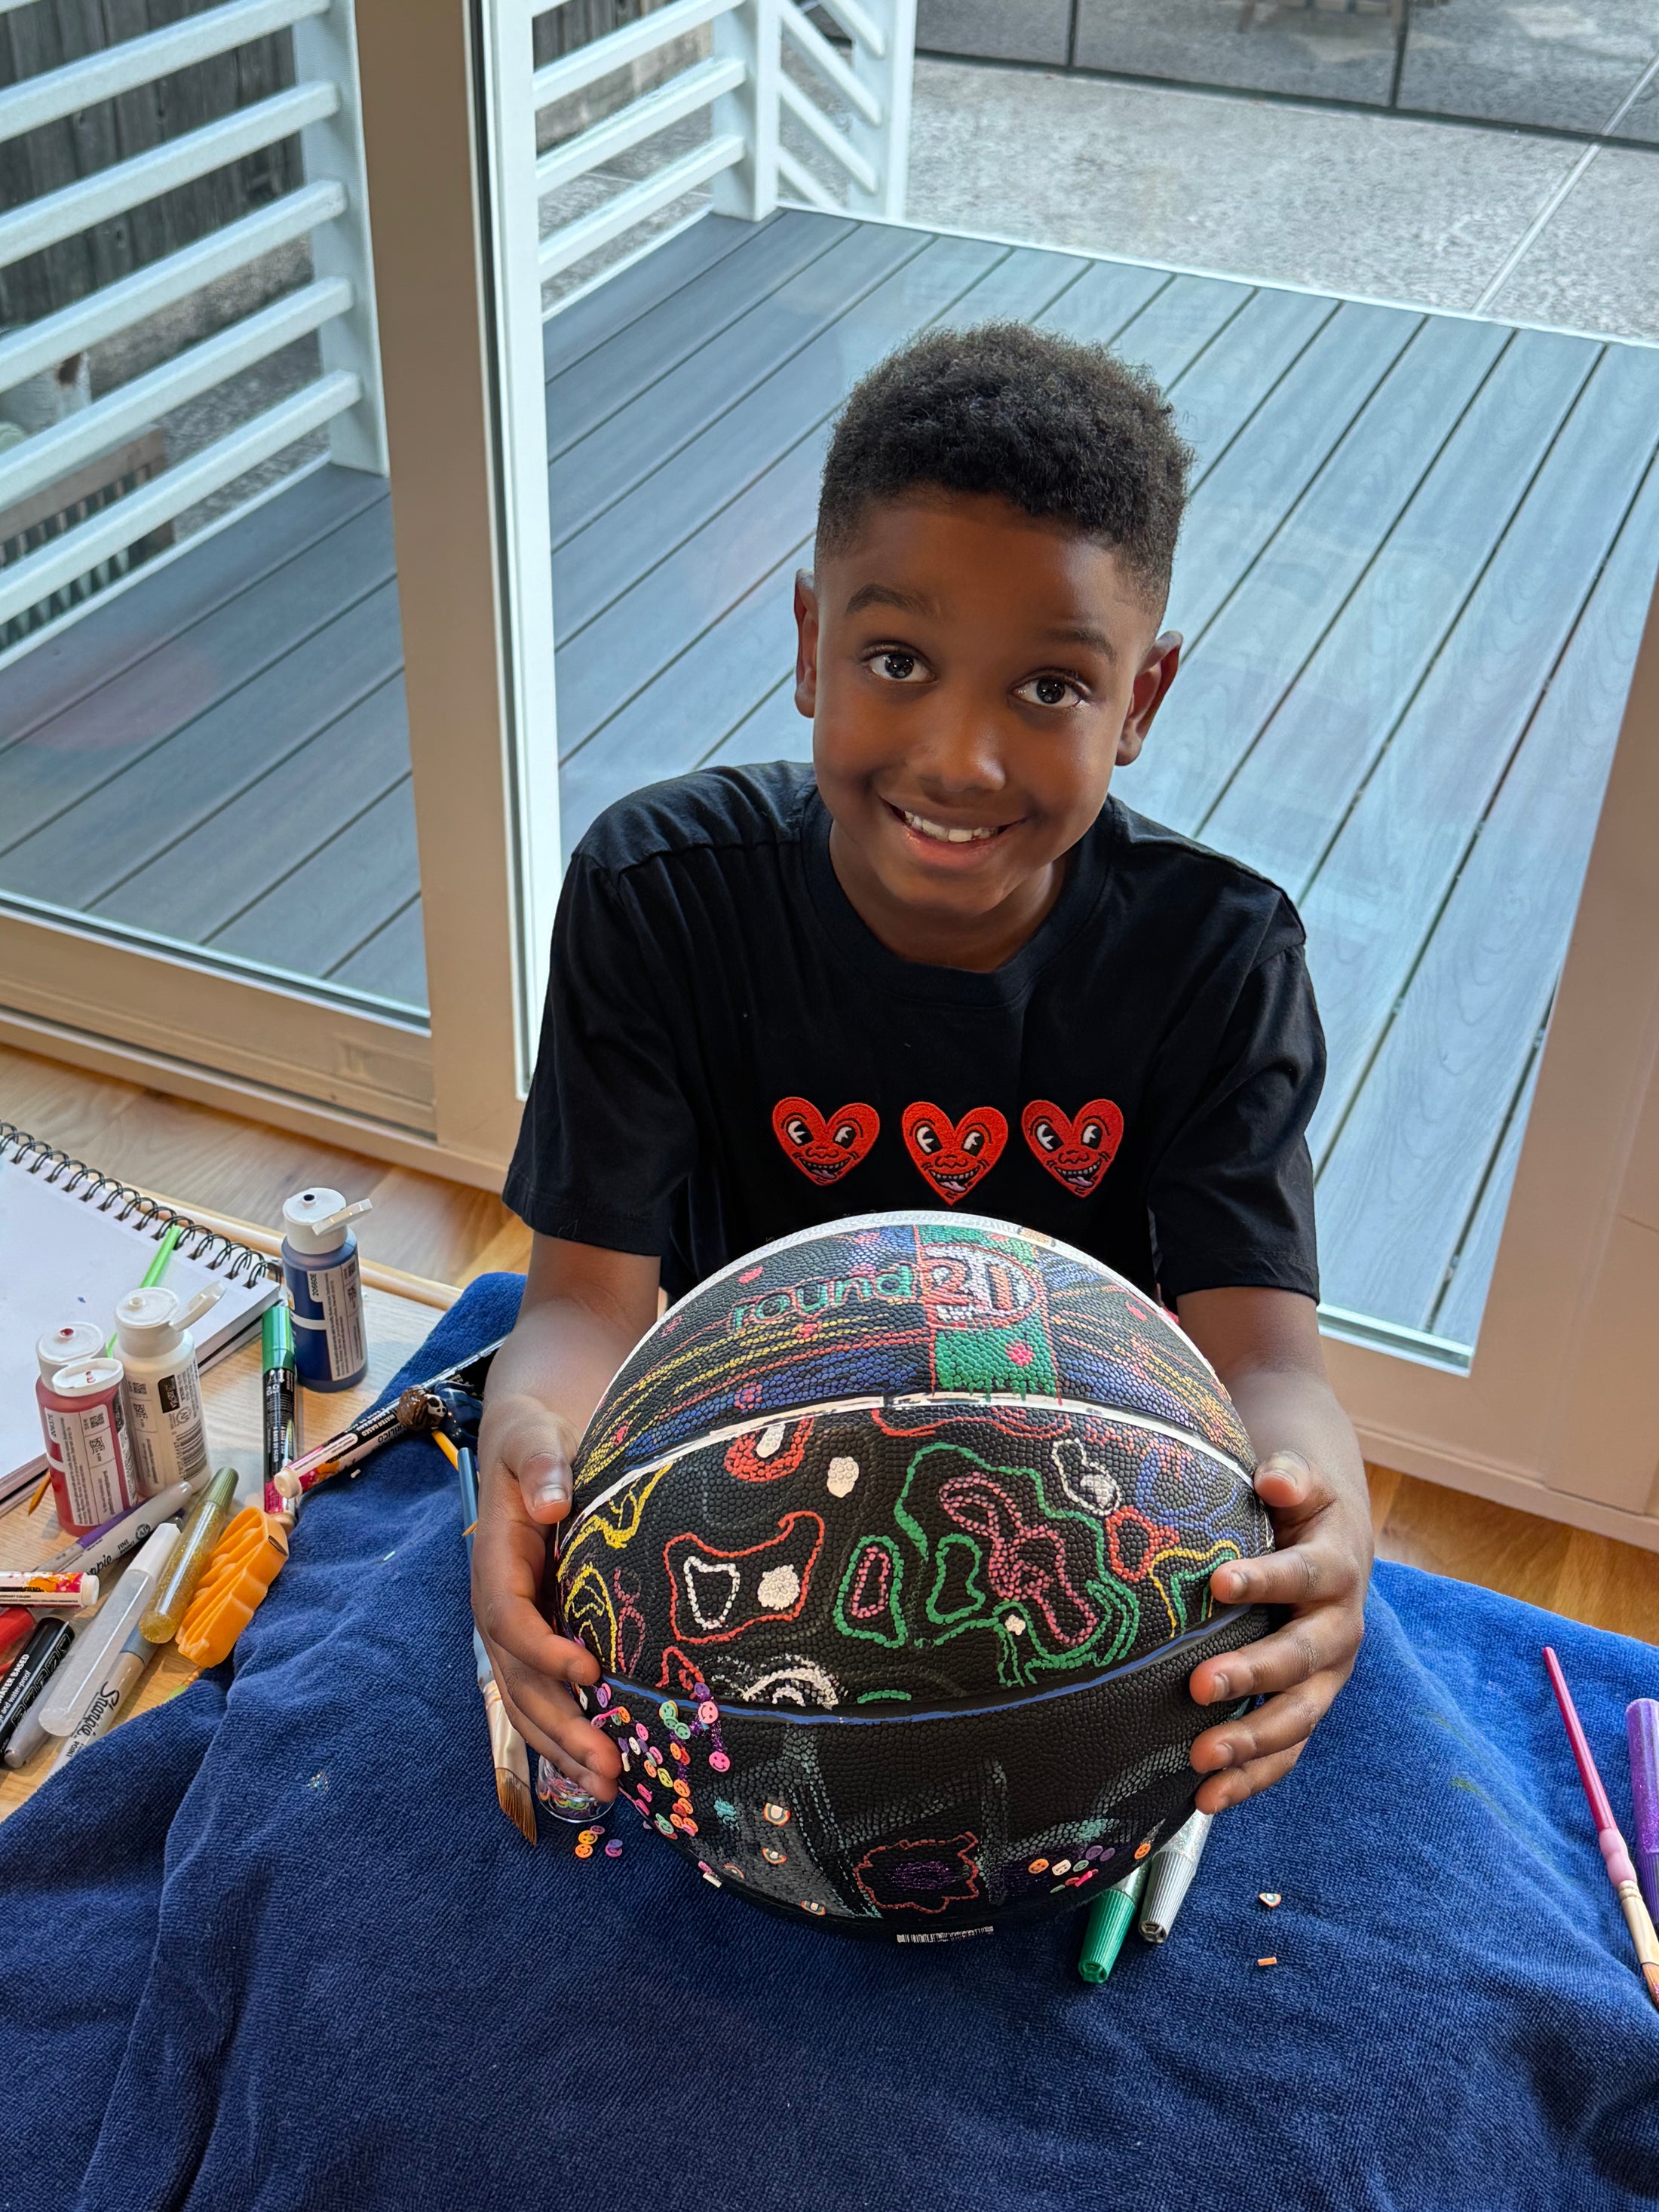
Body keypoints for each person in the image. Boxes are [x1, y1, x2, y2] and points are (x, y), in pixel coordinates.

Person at [472, 321, 1372, 1817]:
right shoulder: (657, 892)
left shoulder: (1218, 956)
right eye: (897, 661)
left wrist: (1322, 1516)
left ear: (1140, 701)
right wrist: (529, 1453)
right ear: (809, 643)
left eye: (1050, 688)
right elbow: (579, 1308)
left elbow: (1267, 1366)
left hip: (1062, 1534)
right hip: (731, 1504)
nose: (960, 759)